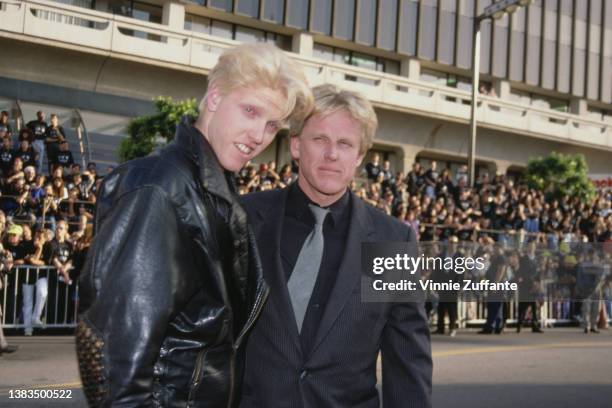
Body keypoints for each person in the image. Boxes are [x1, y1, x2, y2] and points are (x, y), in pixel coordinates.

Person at [76, 43, 313, 407]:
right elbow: (115, 361)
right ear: (215, 97)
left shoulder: (211, 189)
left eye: (271, 125)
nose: (258, 136)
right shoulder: (159, 188)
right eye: (250, 111)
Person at [240, 84, 432, 408]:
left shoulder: (392, 242)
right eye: (320, 140)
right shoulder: (244, 219)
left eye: (345, 144)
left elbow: (407, 363)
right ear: (297, 146)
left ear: (359, 156)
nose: (332, 154)